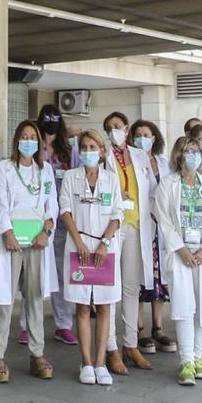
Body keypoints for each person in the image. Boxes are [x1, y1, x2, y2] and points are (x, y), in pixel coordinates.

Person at [0, 119, 59, 382]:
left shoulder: (46, 170)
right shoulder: (4, 169)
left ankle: (37, 355)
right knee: (2, 299)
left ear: (38, 143)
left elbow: (52, 206)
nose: (28, 141)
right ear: (16, 140)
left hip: (37, 242)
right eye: (24, 136)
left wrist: (46, 231)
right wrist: (7, 232)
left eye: (33, 137)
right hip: (11, 242)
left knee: (35, 298)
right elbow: (0, 204)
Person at [152, 137, 202, 386]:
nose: (192, 155)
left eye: (196, 151)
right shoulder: (168, 185)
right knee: (184, 307)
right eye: (187, 151)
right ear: (179, 155)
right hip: (180, 254)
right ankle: (185, 362)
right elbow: (164, 220)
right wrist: (181, 249)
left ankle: (198, 357)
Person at [60, 129, 124, 385]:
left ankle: (100, 363)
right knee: (83, 306)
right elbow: (65, 210)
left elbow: (117, 213)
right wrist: (79, 243)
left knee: (105, 305)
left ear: (102, 151)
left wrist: (105, 243)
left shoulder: (111, 178)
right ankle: (85, 362)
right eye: (84, 147)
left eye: (92, 147)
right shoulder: (70, 177)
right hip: (79, 247)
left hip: (104, 249)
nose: (88, 152)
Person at [99, 111, 156, 376]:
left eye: (118, 126)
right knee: (110, 288)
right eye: (109, 128)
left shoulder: (140, 156)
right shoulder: (102, 157)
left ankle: (130, 344)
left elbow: (152, 189)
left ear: (127, 127)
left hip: (136, 226)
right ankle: (110, 348)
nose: (114, 131)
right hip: (113, 226)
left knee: (131, 287)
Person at [130, 118, 175, 355]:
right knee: (138, 277)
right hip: (140, 226)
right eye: (137, 135)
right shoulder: (130, 162)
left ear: (154, 137)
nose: (141, 139)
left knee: (159, 279)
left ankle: (158, 326)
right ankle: (140, 329)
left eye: (145, 134)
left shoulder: (163, 163)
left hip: (160, 229)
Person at [37, 103, 79, 347]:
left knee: (62, 272)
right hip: (36, 218)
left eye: (55, 117)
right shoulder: (33, 148)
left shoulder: (67, 150)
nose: (51, 121)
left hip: (62, 220)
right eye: (47, 117)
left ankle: (63, 324)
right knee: (33, 272)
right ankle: (28, 323)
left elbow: (75, 179)